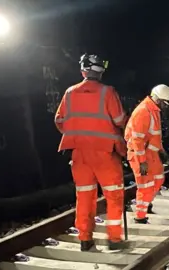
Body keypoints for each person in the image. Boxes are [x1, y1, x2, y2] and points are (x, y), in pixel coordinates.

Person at [54, 54, 128, 251]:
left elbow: (59, 121)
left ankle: (85, 239)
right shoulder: (108, 92)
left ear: (83, 70)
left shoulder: (70, 93)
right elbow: (120, 120)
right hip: (105, 153)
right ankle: (114, 239)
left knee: (85, 196)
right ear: (101, 72)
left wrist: (78, 133)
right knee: (113, 196)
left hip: (79, 154)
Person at [124, 84, 169, 224]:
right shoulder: (143, 111)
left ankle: (146, 203)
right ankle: (140, 216)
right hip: (140, 155)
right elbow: (137, 139)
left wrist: (161, 151)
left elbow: (155, 135)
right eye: (164, 102)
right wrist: (142, 161)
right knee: (145, 186)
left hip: (151, 154)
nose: (165, 106)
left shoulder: (154, 110)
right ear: (158, 99)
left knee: (158, 179)